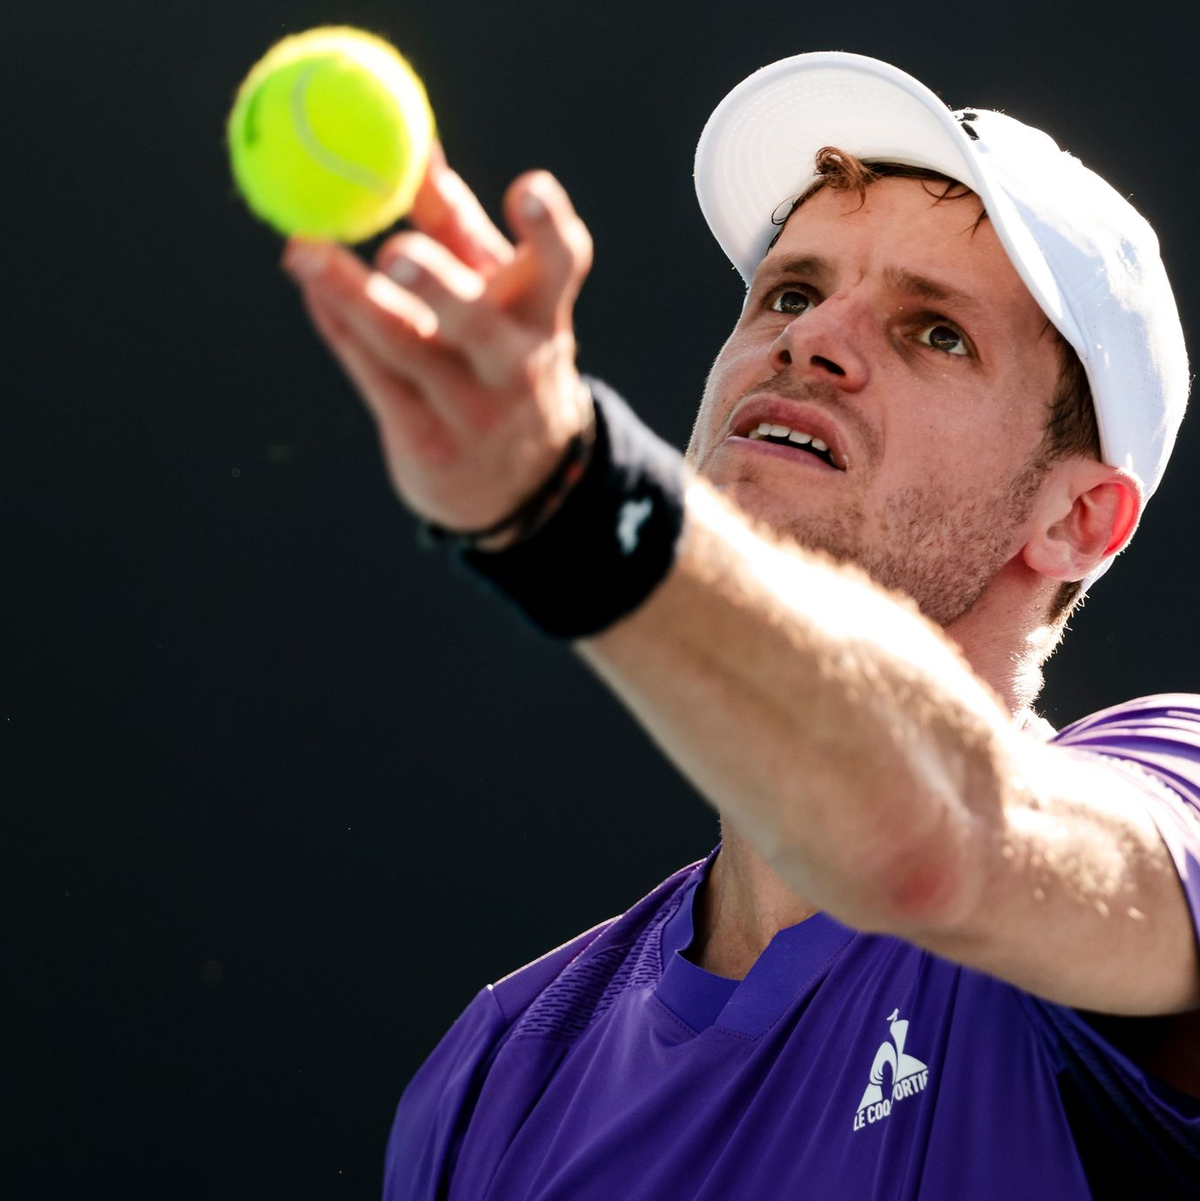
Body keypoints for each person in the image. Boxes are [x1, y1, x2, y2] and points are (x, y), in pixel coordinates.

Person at [282, 52, 1200, 1199]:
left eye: (936, 333)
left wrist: (576, 500)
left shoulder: (1182, 795)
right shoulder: (500, 1068)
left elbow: (934, 841)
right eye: (792, 292)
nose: (810, 341)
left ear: (1078, 520)